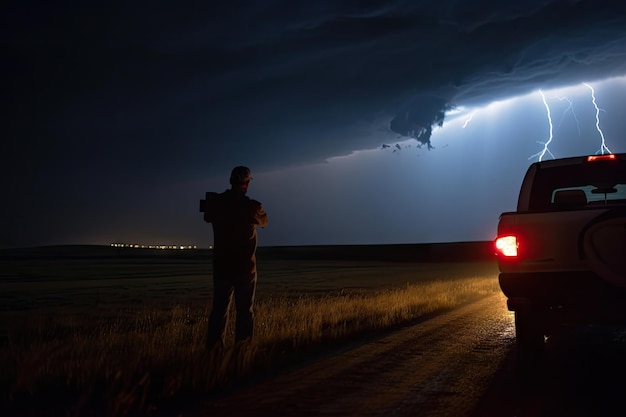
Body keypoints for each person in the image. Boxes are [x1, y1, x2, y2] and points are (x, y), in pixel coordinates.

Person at [203, 166, 268, 350]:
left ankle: (214, 353)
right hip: (245, 268)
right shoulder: (252, 207)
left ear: (231, 180)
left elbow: (207, 216)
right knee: (244, 313)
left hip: (222, 267)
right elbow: (264, 221)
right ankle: (242, 352)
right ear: (246, 184)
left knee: (219, 311)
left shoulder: (217, 203)